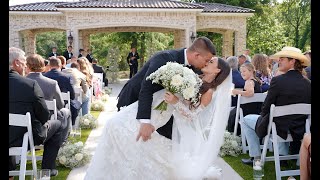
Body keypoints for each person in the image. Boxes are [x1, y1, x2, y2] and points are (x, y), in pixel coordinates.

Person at [84, 57, 232, 179]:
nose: (207, 62)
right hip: (157, 106)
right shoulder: (194, 77)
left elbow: (193, 116)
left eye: (212, 62)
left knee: (131, 135)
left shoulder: (209, 92)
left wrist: (176, 102)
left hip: (165, 113)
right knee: (124, 131)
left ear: (218, 70)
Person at [117, 36, 216, 141]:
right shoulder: (165, 58)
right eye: (206, 60)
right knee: (127, 141)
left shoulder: (192, 68)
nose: (206, 64)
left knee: (169, 141)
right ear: (197, 55)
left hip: (159, 109)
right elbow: (146, 88)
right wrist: (145, 121)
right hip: (133, 100)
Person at [240, 46, 311, 165]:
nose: (279, 61)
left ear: (292, 61)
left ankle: (256, 158)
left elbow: (266, 107)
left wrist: (262, 117)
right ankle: (282, 156)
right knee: (278, 120)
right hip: (301, 128)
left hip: (279, 127)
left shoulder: (278, 81)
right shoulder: (308, 83)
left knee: (246, 120)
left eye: (282, 59)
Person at [9, 47, 62, 177]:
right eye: (24, 62)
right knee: (57, 124)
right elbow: (44, 116)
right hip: (23, 138)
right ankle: (47, 168)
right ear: (16, 62)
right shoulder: (29, 85)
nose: (25, 65)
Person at [26, 54, 71, 144]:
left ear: (27, 66)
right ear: (43, 66)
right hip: (47, 120)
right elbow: (60, 104)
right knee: (66, 112)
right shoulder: (52, 83)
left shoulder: (21, 82)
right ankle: (62, 141)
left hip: (26, 119)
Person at [227, 63, 262, 135]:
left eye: (244, 71)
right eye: (241, 72)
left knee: (230, 114)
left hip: (246, 111)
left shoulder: (249, 81)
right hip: (256, 110)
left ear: (251, 71)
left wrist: (236, 91)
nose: (242, 73)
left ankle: (235, 135)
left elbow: (250, 93)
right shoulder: (256, 81)